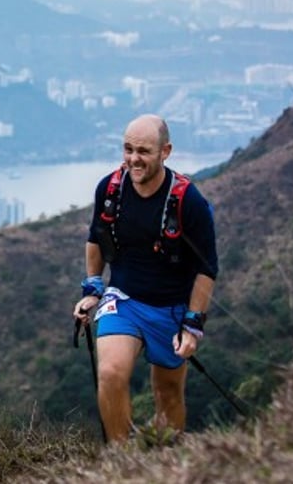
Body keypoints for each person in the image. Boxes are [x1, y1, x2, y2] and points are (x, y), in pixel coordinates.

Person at [73, 114, 218, 442]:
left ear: (165, 151)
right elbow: (96, 238)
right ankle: (120, 459)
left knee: (168, 393)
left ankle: (166, 459)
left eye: (143, 151)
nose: (133, 159)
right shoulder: (110, 189)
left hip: (171, 308)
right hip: (123, 299)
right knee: (110, 373)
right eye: (128, 149)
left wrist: (193, 324)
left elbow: (206, 268)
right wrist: (93, 288)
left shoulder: (189, 201)